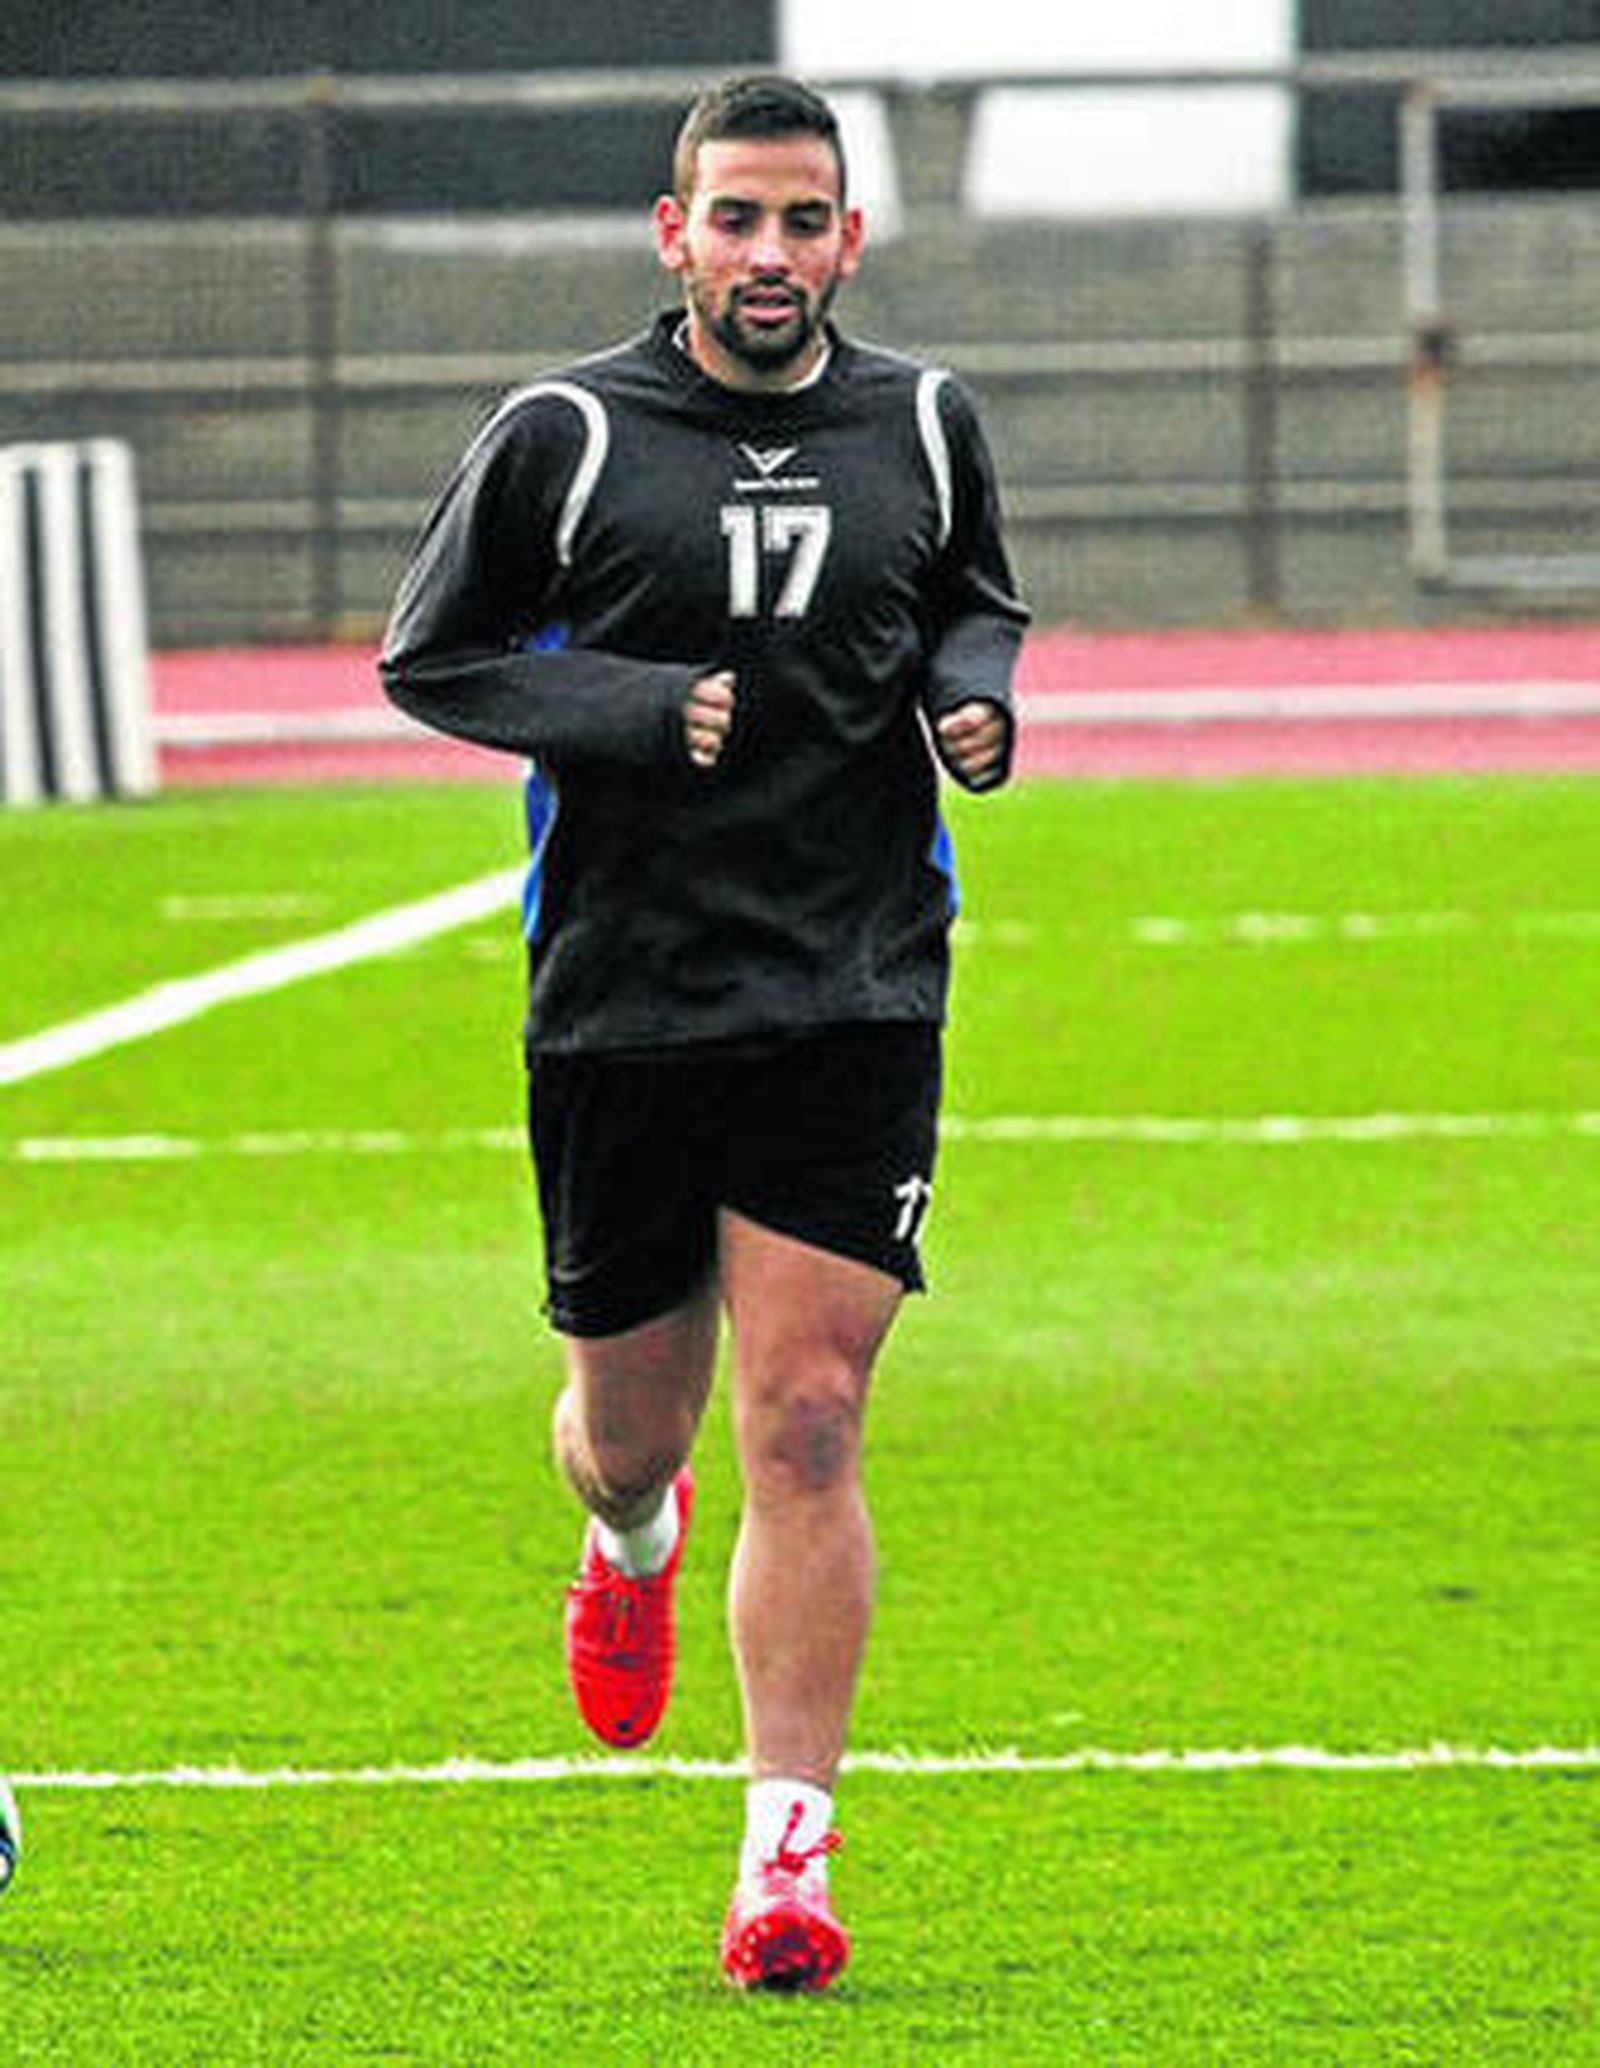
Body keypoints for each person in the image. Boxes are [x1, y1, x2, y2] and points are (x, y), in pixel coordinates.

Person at [380, 71, 1028, 1992]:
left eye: (803, 220)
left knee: (812, 1418)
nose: (770, 254)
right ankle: (629, 1538)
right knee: (629, 1432)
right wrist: (633, 711)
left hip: (854, 984)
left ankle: (787, 1860)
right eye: (735, 218)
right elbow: (434, 657)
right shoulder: (566, 434)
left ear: (849, 237)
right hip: (625, 1000)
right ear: (675, 234)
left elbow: (974, 603)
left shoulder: (922, 419)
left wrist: (977, 704)